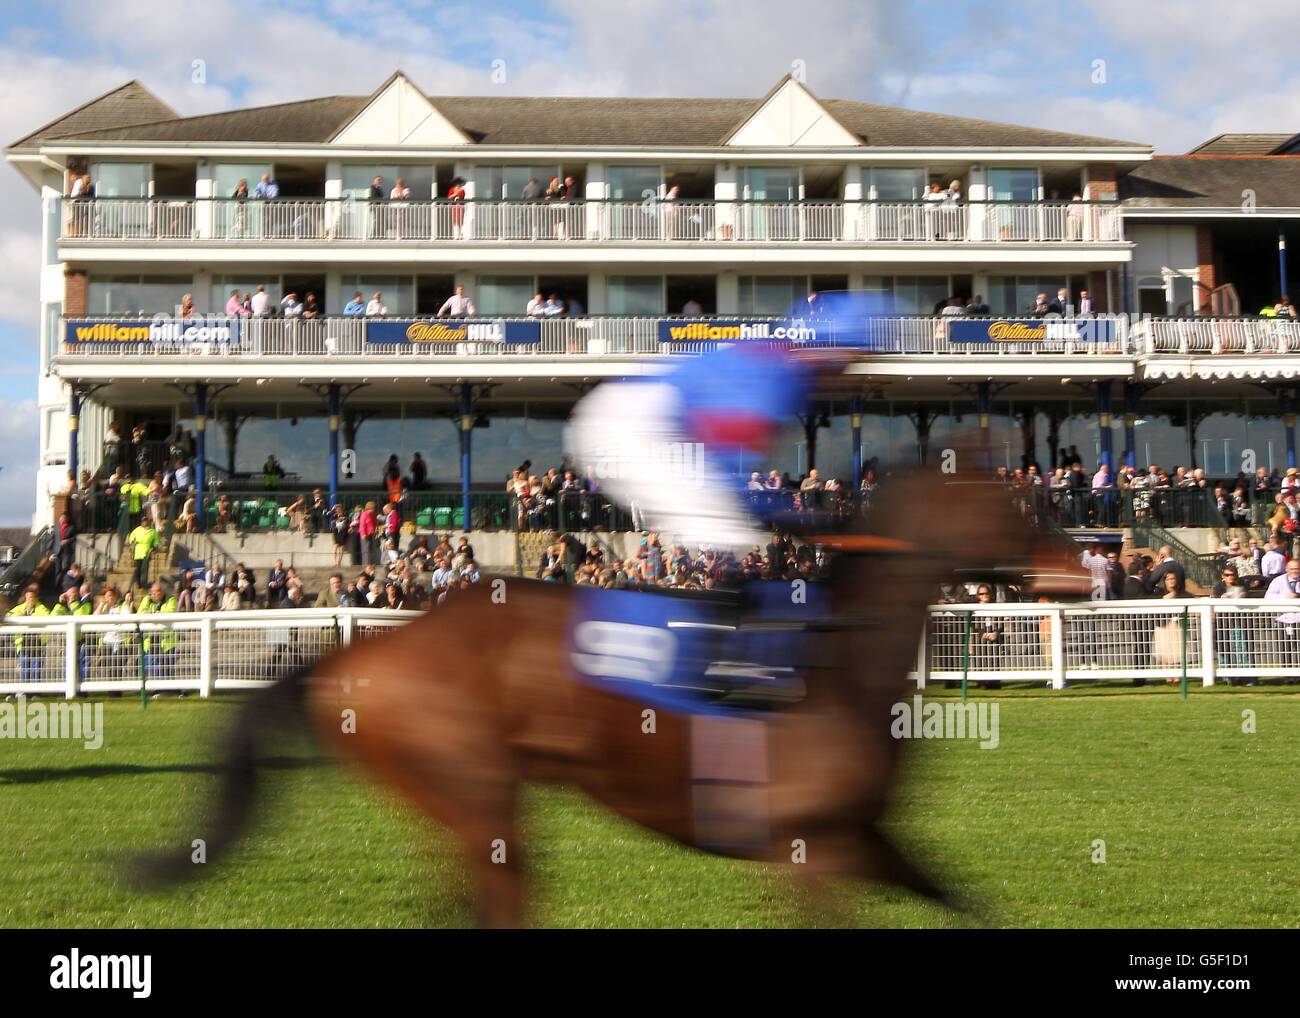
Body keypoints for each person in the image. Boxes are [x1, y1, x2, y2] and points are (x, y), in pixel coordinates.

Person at [126, 517, 159, 591]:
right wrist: (133, 541)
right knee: (138, 569)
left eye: (146, 521)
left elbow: (156, 541)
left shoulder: (153, 531)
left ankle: (144, 583)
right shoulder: (137, 529)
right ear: (141, 523)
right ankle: (138, 583)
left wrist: (153, 547)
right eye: (143, 521)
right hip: (138, 553)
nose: (145, 523)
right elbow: (131, 537)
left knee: (145, 569)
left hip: (147, 553)